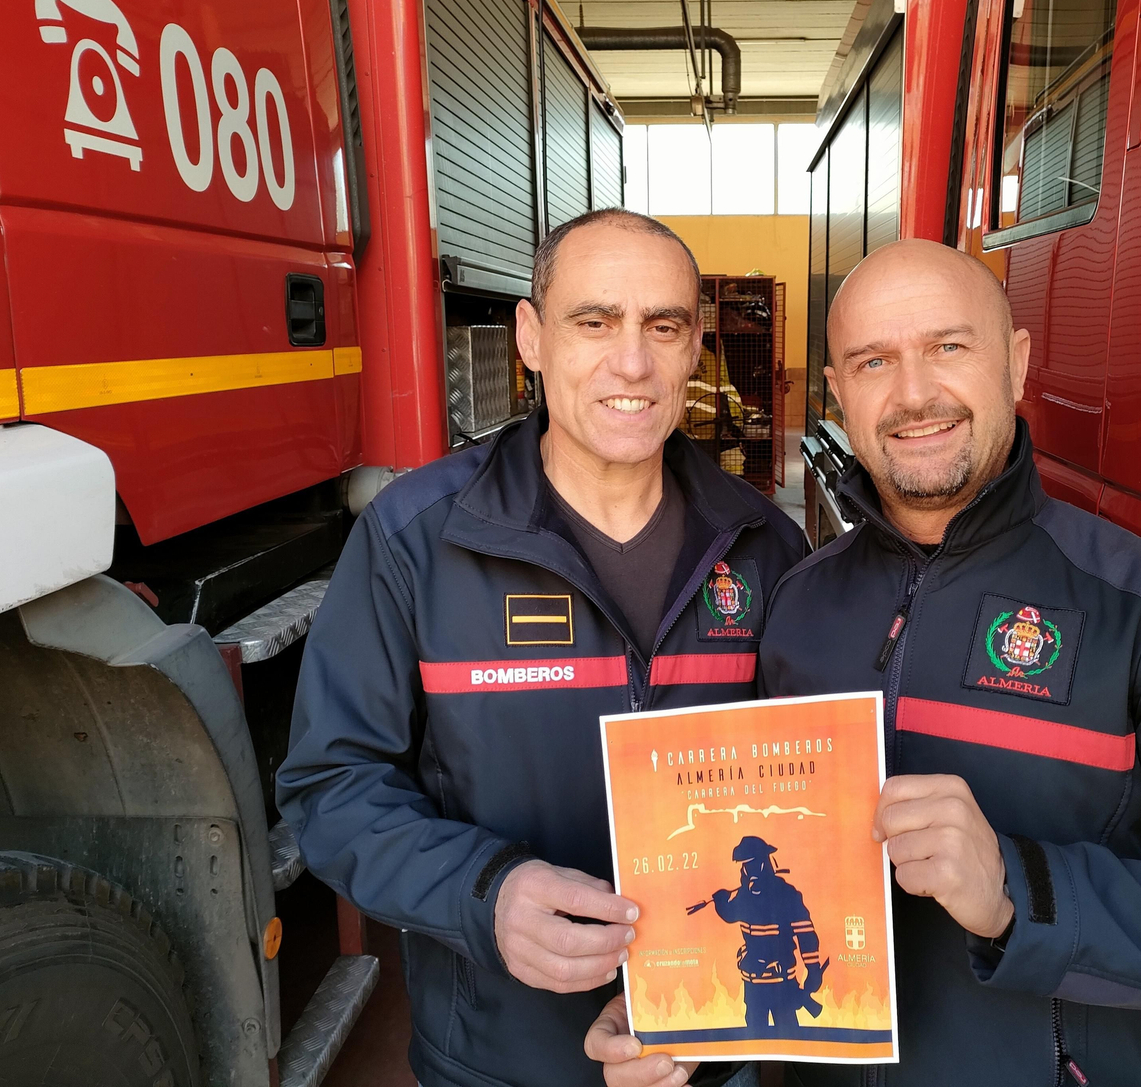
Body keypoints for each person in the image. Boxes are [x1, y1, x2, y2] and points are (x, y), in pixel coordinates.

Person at [588, 238, 1141, 1086]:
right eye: (872, 362)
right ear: (839, 397)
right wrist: (684, 1028)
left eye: (949, 347)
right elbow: (757, 872)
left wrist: (1020, 891)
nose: (913, 393)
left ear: (1015, 365)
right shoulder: (799, 602)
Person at [276, 209, 806, 1087]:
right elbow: (332, 785)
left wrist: (712, 1025)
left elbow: (807, 805)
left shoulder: (766, 550)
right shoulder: (417, 542)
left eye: (662, 327)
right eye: (594, 321)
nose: (630, 362)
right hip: (494, 1060)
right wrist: (485, 894)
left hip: (702, 1049)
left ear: (693, 350)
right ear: (531, 337)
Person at [706, 836, 825, 1035]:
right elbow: (730, 915)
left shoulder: (787, 894)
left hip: (783, 983)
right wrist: (721, 901)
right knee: (754, 1038)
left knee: (789, 1038)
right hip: (753, 986)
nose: (747, 872)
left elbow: (806, 935)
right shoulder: (743, 897)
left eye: (752, 865)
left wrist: (813, 970)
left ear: (765, 864)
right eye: (744, 867)